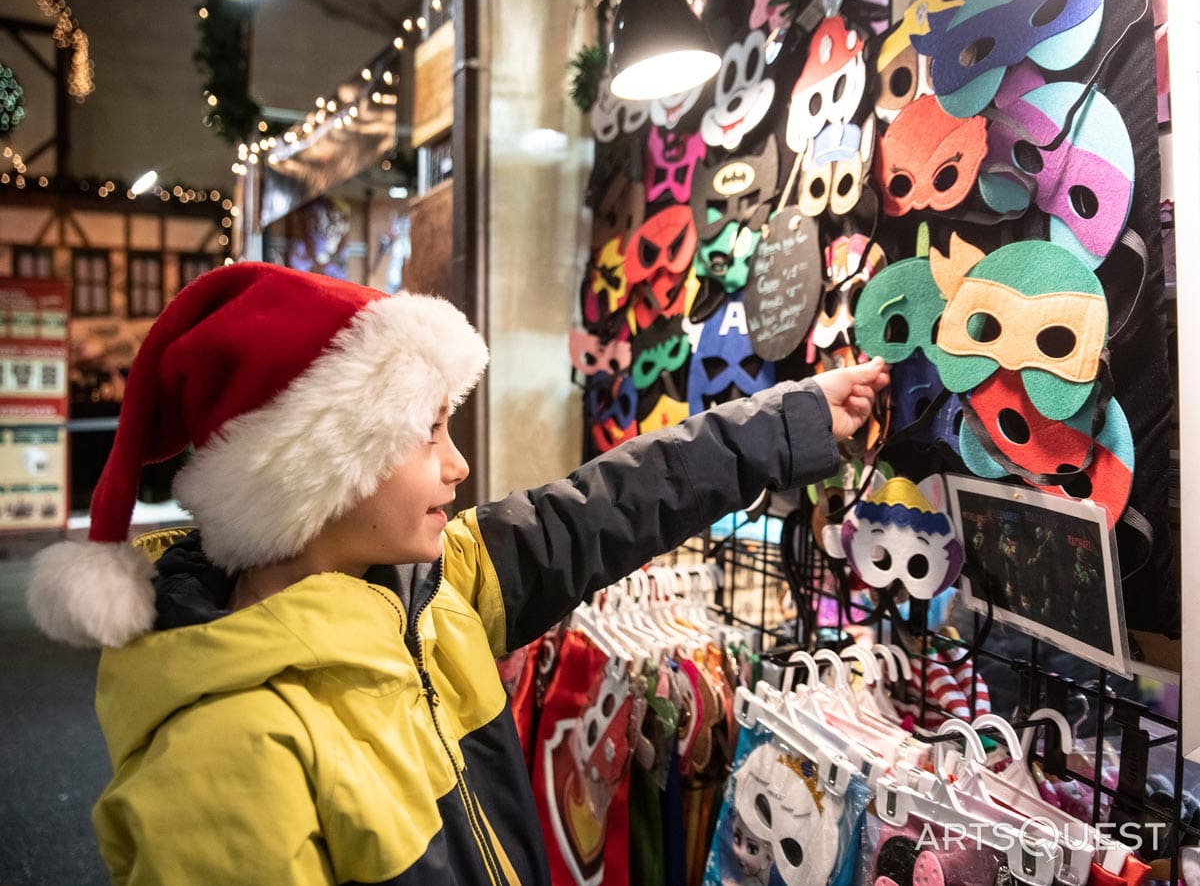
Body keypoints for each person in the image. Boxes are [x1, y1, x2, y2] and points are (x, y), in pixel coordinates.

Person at [27, 263, 889, 885]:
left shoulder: (429, 595)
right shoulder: (228, 754)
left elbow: (607, 506)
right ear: (318, 474)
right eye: (428, 432)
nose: (459, 465)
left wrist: (794, 421)